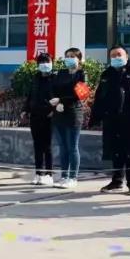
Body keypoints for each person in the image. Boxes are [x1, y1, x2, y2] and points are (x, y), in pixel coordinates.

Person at [90, 45, 130, 196]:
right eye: (113, 55)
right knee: (115, 151)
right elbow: (99, 97)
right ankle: (116, 181)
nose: (116, 57)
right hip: (112, 120)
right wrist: (95, 117)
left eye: (119, 54)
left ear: (126, 56)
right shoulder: (107, 74)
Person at [52, 48, 88, 190]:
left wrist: (62, 100)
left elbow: (81, 95)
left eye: (73, 56)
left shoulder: (81, 74)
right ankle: (64, 176)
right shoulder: (61, 73)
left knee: (72, 147)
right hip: (59, 112)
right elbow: (54, 89)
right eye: (67, 56)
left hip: (73, 113)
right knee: (63, 147)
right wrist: (56, 101)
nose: (69, 58)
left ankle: (73, 177)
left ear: (79, 59)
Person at [22, 53, 59, 186]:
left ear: (52, 63)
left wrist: (53, 111)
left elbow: (60, 97)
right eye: (41, 62)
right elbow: (30, 96)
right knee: (37, 145)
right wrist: (25, 110)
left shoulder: (55, 78)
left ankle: (49, 174)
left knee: (47, 146)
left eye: (47, 61)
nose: (44, 64)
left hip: (49, 116)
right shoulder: (35, 78)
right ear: (38, 65)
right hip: (35, 116)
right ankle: (38, 173)